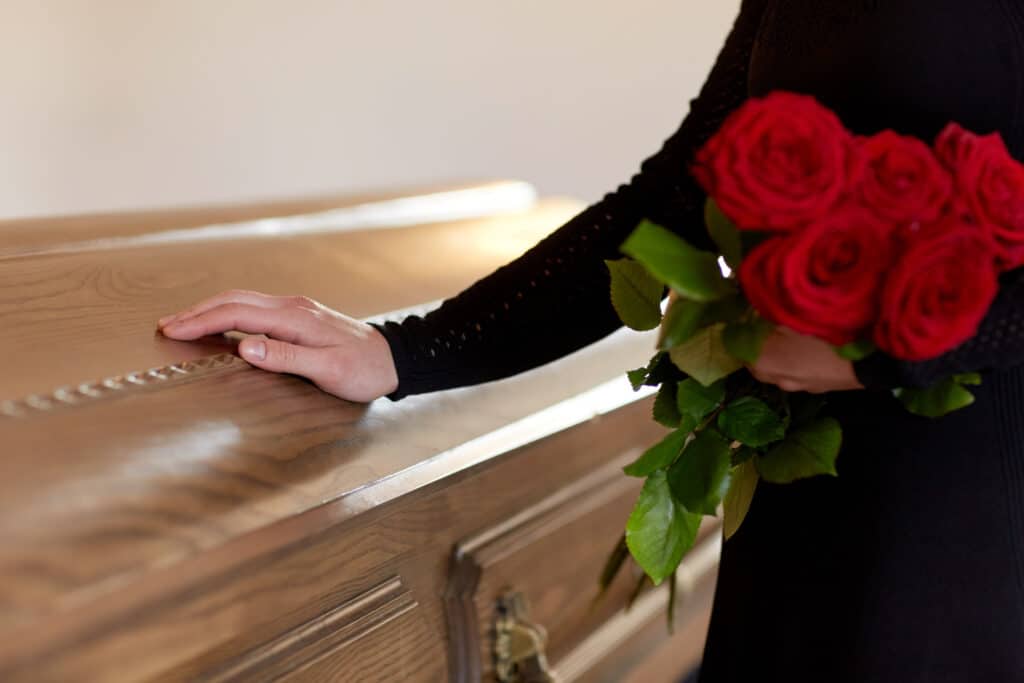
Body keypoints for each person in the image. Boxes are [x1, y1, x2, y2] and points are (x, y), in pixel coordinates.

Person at [158, 1, 1024, 680]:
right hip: (817, 504)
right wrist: (406, 352)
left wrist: (886, 349)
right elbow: (686, 180)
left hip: (976, 523)